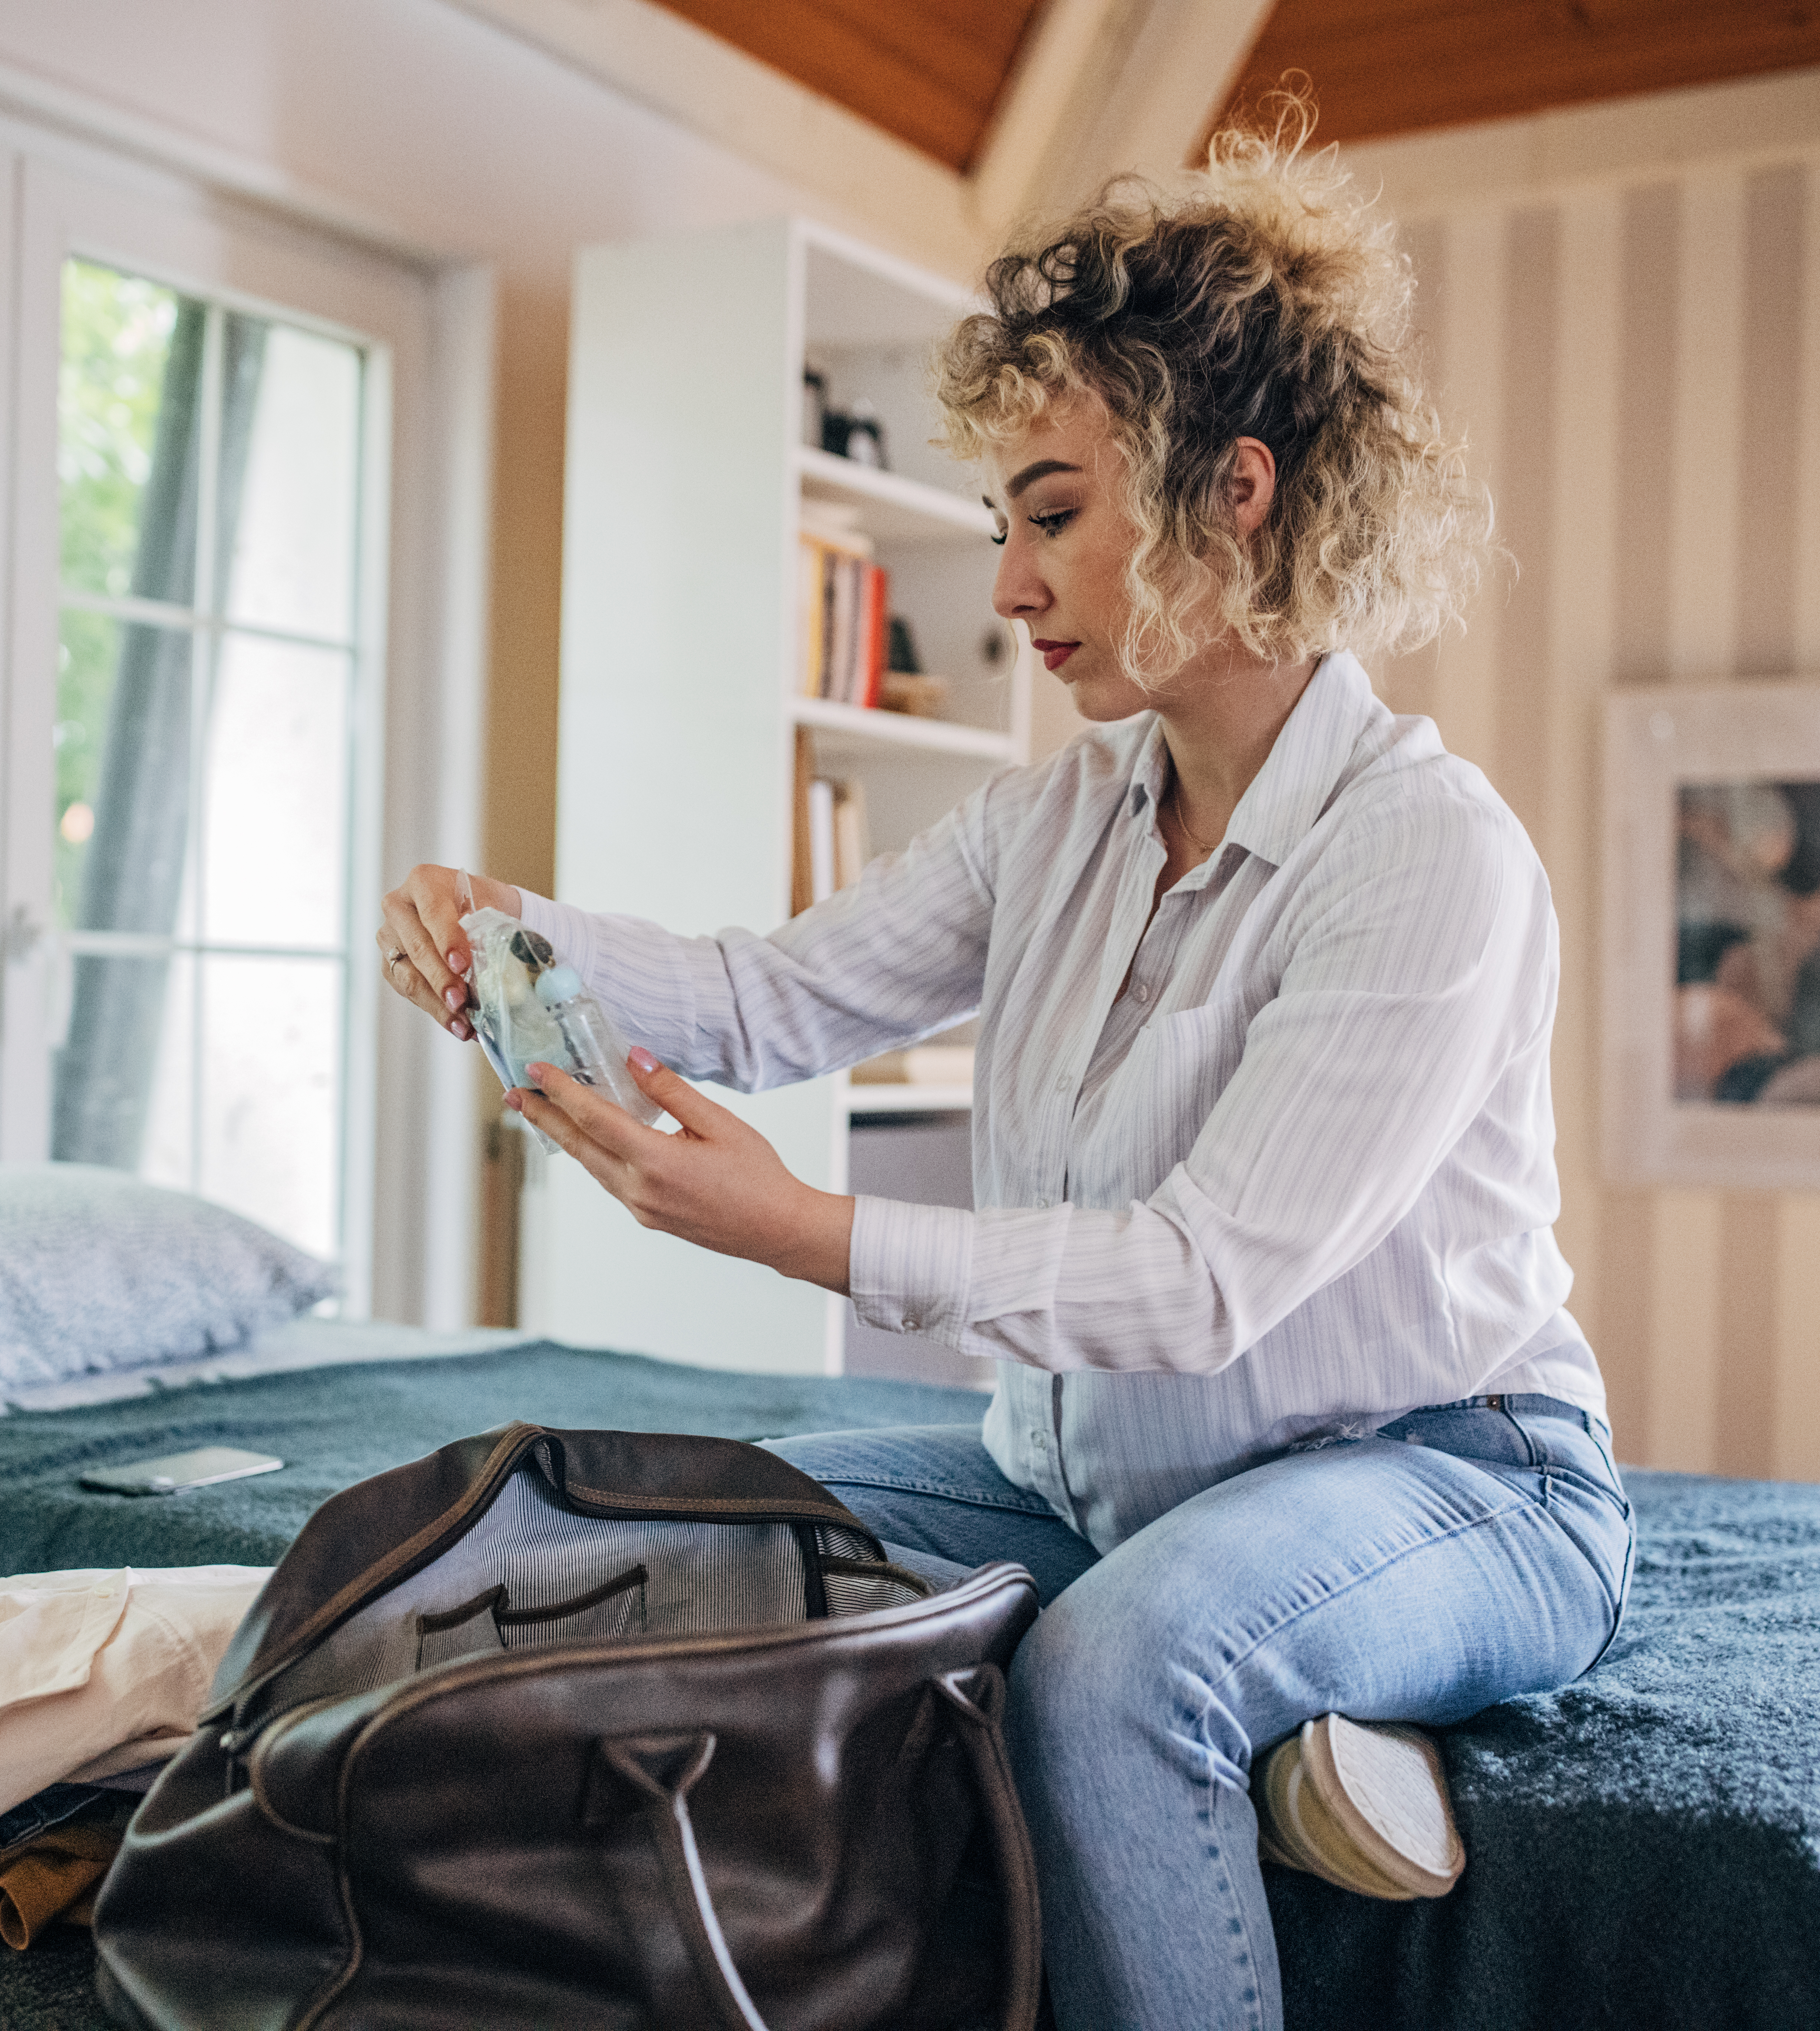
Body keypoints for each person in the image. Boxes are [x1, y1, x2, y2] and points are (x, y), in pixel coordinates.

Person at [372, 125, 1630, 2031]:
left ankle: (1283, 1683)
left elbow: (1202, 1279)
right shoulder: (1051, 820)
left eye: (1053, 516)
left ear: (1234, 495)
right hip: (1110, 1483)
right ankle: (1305, 1716)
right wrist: (506, 945)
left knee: (1122, 1670)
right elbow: (766, 996)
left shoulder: (1423, 855)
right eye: (1001, 532)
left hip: (1446, 1470)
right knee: (682, 1530)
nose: (1012, 586)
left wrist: (809, 1236)